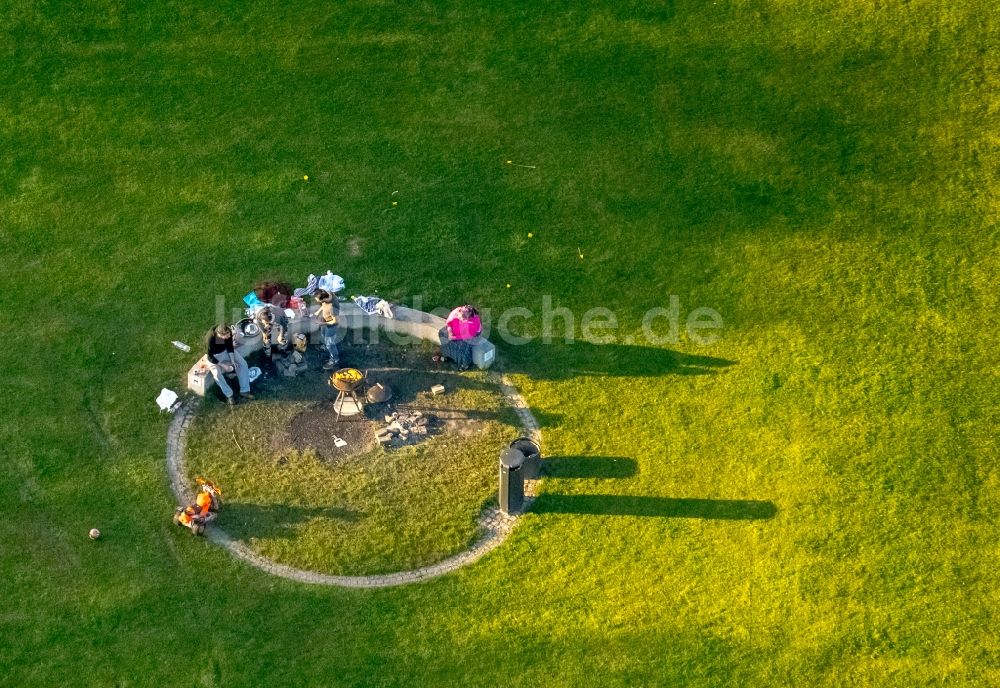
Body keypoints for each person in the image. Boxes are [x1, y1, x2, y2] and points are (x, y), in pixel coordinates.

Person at [204, 324, 253, 405]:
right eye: (226, 336)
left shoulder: (228, 331)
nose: (229, 336)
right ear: (219, 335)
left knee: (242, 363)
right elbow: (210, 357)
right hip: (214, 357)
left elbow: (229, 346)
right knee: (217, 375)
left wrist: (233, 360)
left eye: (229, 335)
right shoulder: (210, 339)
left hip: (225, 351)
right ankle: (229, 395)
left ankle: (245, 391)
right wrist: (224, 365)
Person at [435, 305, 481, 370]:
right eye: (459, 317)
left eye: (463, 319)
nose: (460, 319)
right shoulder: (456, 312)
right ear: (459, 311)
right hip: (456, 330)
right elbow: (449, 323)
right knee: (442, 333)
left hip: (470, 335)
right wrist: (450, 332)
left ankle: (465, 365)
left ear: (468, 318)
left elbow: (466, 336)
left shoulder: (473, 323)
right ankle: (448, 355)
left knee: (463, 348)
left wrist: (454, 337)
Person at [314, 289, 340, 370]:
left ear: (323, 299)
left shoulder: (332, 307)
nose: (316, 300)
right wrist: (318, 312)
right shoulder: (327, 294)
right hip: (325, 321)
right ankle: (325, 346)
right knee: (323, 335)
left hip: (331, 326)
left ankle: (334, 359)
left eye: (317, 299)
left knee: (330, 344)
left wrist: (322, 324)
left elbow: (335, 321)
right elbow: (323, 304)